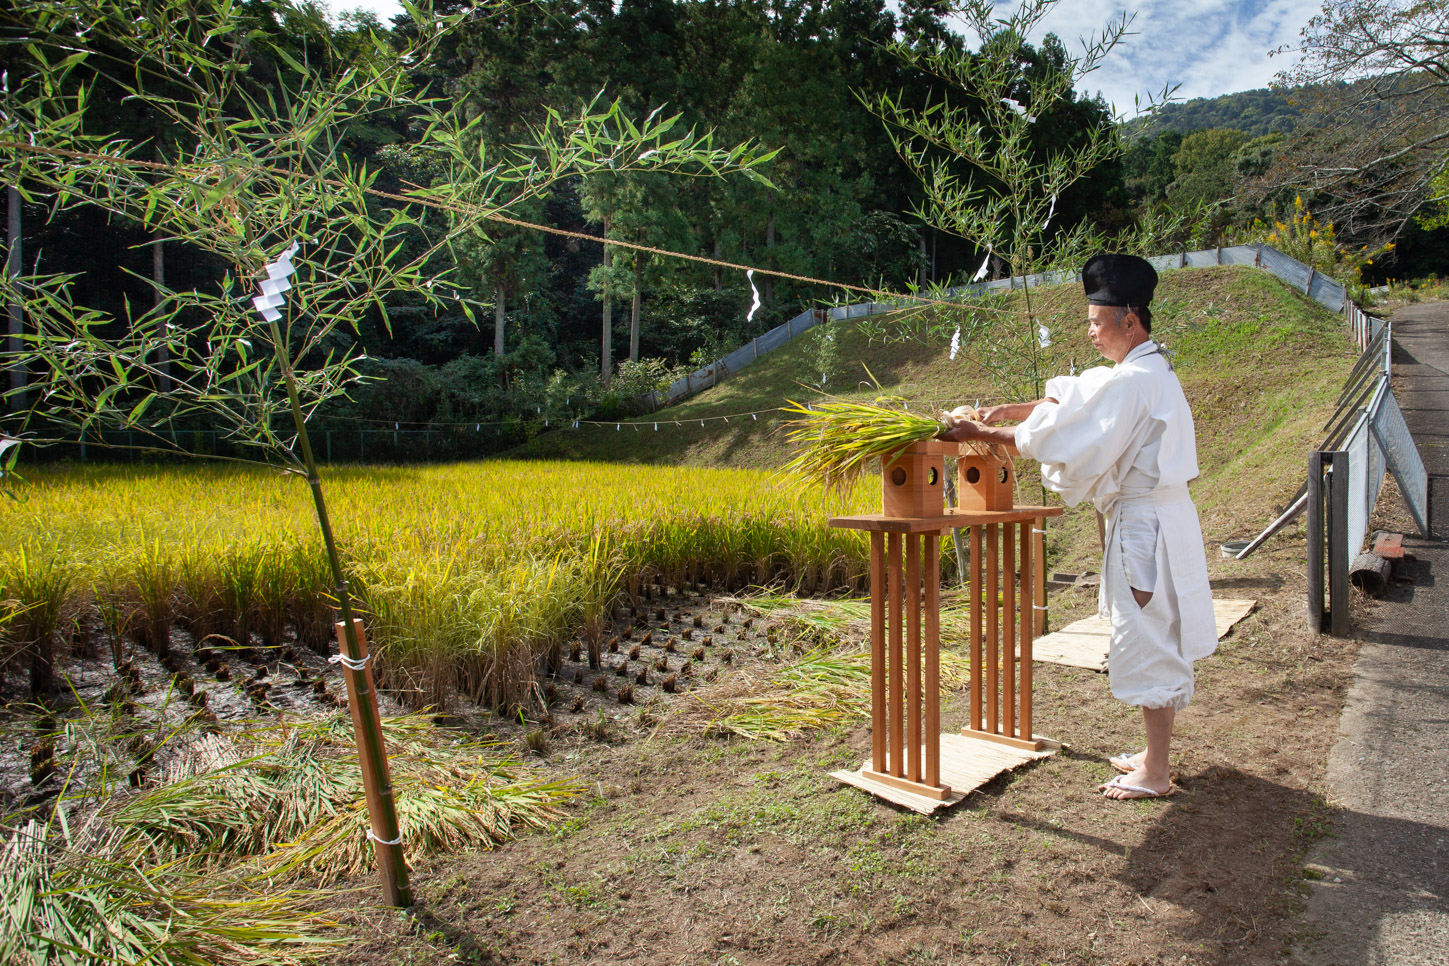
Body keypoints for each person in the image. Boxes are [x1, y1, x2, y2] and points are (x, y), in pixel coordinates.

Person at [938, 253, 1215, 801]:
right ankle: (1152, 755)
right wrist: (1008, 411)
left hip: (1145, 524)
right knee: (1152, 628)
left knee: (1147, 634)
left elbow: (1074, 433)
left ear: (1128, 320)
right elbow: (1075, 402)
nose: (1089, 331)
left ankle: (1155, 772)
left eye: (1095, 321)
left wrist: (983, 433)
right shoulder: (1147, 370)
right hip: (1157, 517)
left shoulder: (1133, 382)